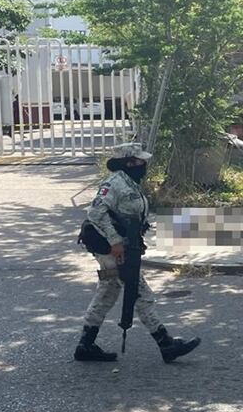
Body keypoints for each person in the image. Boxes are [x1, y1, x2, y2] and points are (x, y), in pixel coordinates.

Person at [75, 143, 201, 364]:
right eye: (140, 161)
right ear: (129, 163)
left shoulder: (130, 182)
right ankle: (166, 344)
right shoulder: (114, 183)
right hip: (111, 249)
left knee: (108, 293)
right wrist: (115, 241)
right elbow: (95, 212)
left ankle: (85, 345)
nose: (144, 164)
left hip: (124, 247)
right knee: (140, 293)